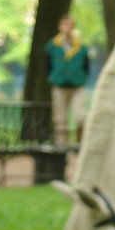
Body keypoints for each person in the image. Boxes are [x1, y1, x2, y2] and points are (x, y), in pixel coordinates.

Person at [45, 15, 89, 147]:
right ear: (60, 27)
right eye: (64, 24)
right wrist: (53, 77)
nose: (67, 28)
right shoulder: (52, 46)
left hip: (77, 86)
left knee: (80, 116)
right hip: (59, 85)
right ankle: (61, 146)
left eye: (70, 25)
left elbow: (86, 66)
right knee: (60, 118)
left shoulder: (81, 47)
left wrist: (81, 78)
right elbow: (47, 64)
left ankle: (80, 144)